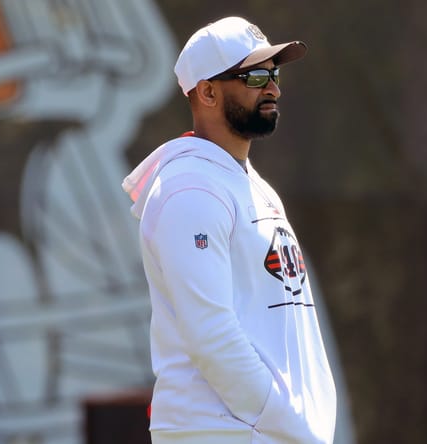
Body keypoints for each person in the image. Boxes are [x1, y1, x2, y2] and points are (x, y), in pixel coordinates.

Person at [122, 16, 337, 444]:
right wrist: (289, 423)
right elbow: (211, 336)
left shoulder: (242, 182)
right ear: (206, 92)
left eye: (274, 73)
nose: (273, 87)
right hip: (223, 433)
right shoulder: (189, 189)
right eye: (255, 75)